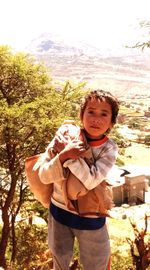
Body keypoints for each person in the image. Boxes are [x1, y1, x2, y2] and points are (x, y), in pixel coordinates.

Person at [38, 89, 120, 270]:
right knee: (59, 262)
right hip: (59, 212)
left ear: (112, 122)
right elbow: (44, 175)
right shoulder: (65, 135)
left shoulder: (109, 149)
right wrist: (62, 156)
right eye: (90, 112)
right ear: (81, 114)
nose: (95, 119)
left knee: (96, 265)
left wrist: (68, 156)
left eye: (103, 114)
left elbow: (90, 181)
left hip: (91, 218)